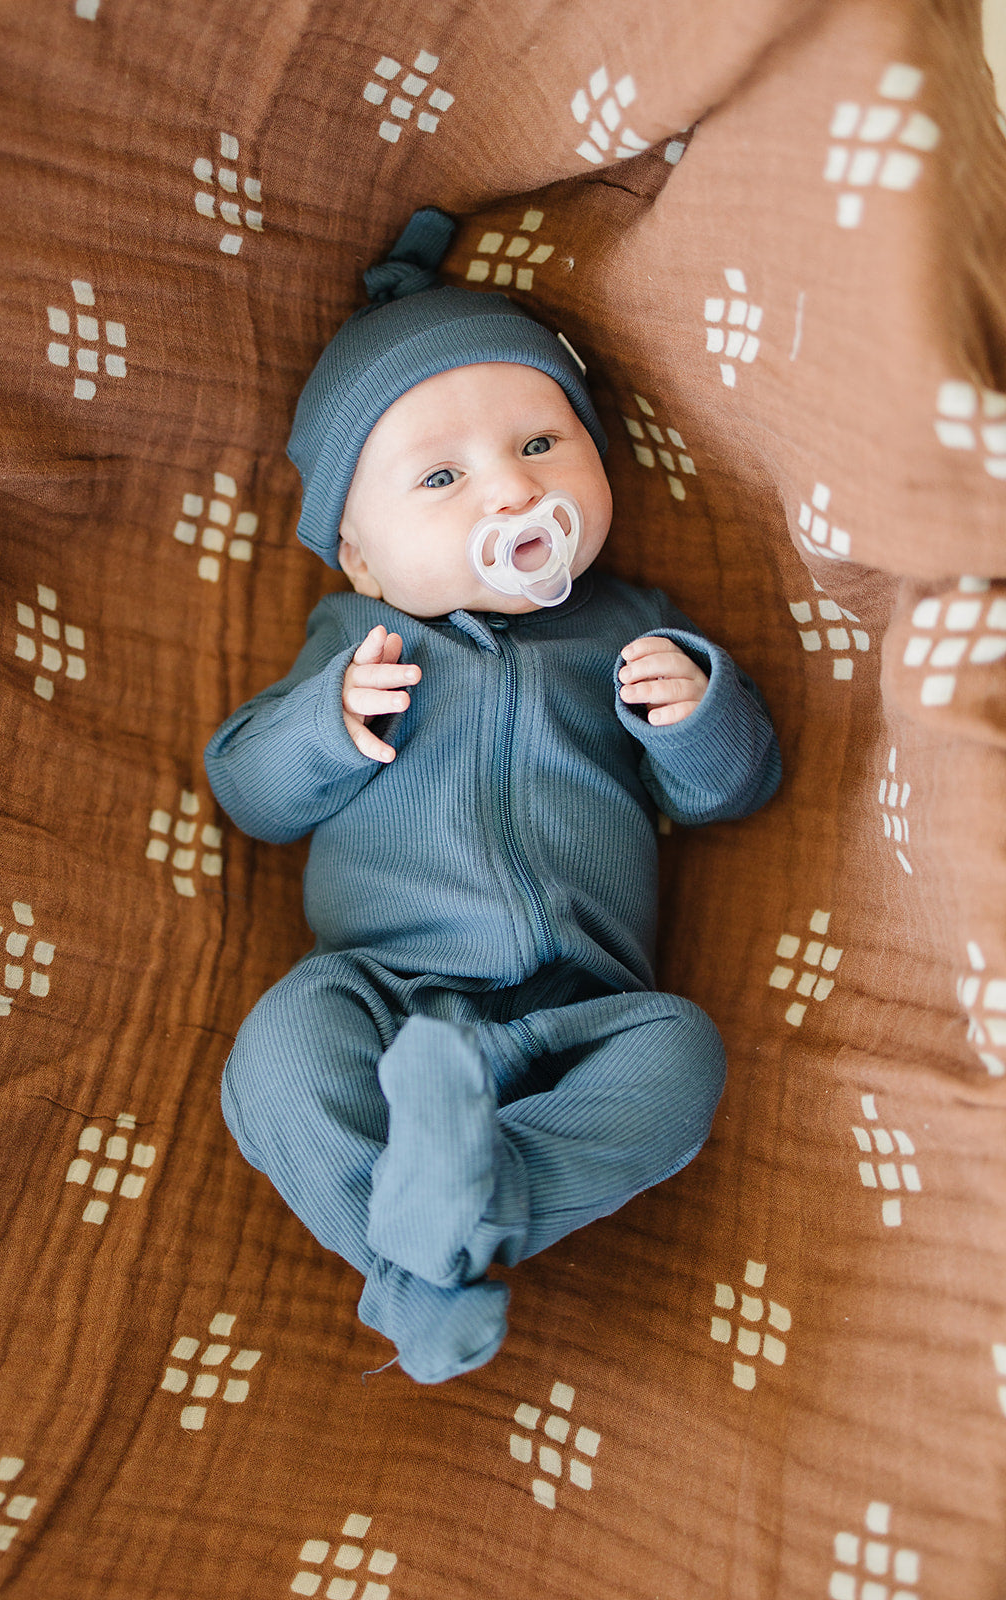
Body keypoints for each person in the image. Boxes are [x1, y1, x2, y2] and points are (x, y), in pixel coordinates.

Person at [204, 209, 780, 1384]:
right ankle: (424, 1234)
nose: (510, 497)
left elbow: (735, 792)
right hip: (387, 1003)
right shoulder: (354, 645)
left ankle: (466, 1206)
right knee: (274, 1050)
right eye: (441, 476)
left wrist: (699, 711)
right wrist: (328, 726)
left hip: (586, 1011)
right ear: (361, 557)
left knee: (684, 1055)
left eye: (539, 445)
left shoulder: (630, 627)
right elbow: (245, 787)